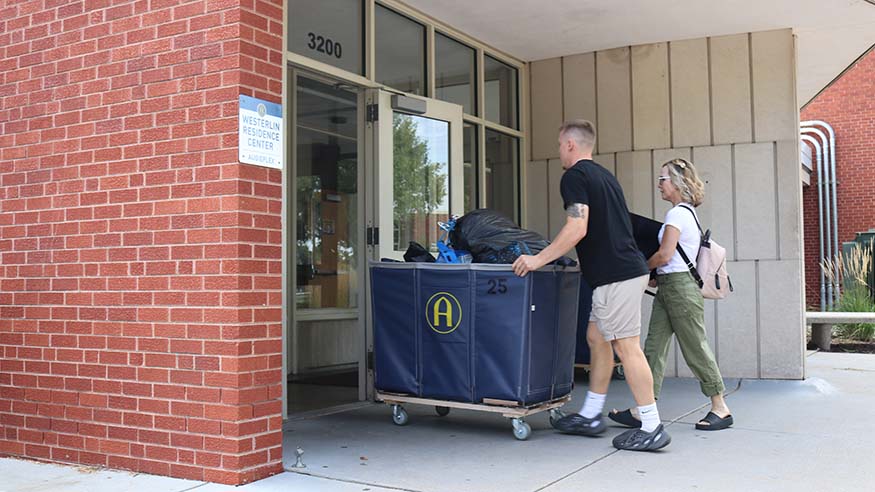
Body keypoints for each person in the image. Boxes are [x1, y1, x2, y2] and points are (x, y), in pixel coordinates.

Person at [512, 119, 670, 451]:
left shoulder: (574, 177)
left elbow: (577, 226)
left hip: (618, 275)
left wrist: (539, 259)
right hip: (614, 274)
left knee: (627, 348)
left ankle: (653, 425)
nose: (558, 152)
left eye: (559, 145)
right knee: (597, 338)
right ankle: (591, 414)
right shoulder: (604, 176)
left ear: (570, 145)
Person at [608, 158, 733, 431]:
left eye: (663, 179)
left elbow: (665, 254)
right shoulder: (683, 213)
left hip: (680, 289)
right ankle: (644, 408)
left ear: (677, 183)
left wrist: (641, 269)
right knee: (654, 347)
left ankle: (720, 407)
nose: (659, 184)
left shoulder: (677, 214)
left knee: (694, 346)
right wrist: (655, 277)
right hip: (670, 286)